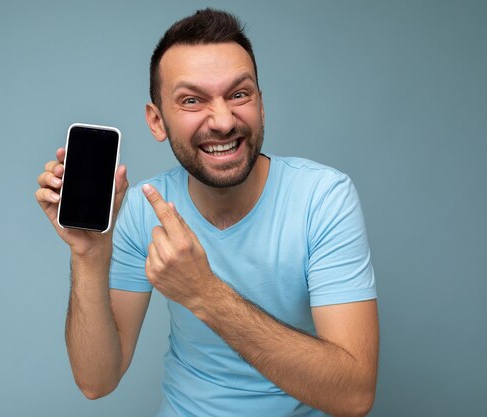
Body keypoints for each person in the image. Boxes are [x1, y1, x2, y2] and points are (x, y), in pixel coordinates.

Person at [36, 8, 378, 417]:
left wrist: (204, 293)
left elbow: (355, 396)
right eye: (192, 100)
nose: (222, 120)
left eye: (239, 94)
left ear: (261, 105)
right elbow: (96, 381)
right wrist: (89, 257)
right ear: (157, 121)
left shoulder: (323, 197)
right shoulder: (148, 210)